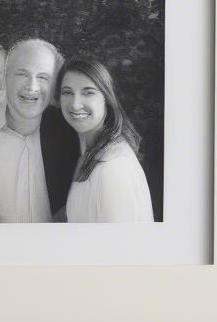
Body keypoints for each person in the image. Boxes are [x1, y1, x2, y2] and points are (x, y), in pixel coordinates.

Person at [0, 38, 80, 223]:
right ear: (4, 77)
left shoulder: (72, 135)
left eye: (43, 77)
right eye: (22, 74)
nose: (32, 87)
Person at [57, 58, 154, 223]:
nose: (75, 104)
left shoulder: (112, 168)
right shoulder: (90, 152)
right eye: (67, 92)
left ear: (106, 98)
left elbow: (119, 245)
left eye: (88, 92)